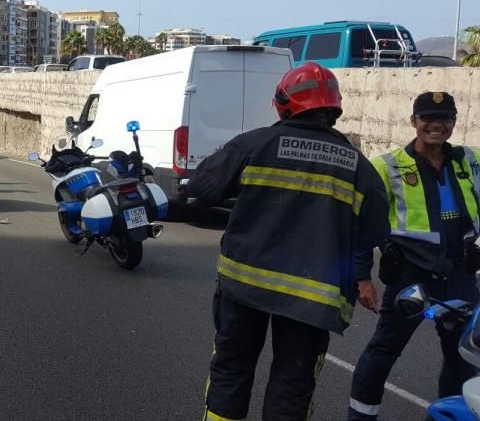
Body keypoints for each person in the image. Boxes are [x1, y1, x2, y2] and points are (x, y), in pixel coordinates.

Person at [188, 62, 389, 421]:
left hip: (245, 286)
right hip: (312, 299)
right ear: (333, 107)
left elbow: (202, 188)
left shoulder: (255, 143)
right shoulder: (360, 166)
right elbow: (372, 234)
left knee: (232, 370)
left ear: (283, 102)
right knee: (293, 385)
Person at [348, 92, 480, 420]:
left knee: (462, 358)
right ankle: (361, 416)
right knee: (382, 354)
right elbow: (361, 224)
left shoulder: (470, 161)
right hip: (412, 276)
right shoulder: (387, 166)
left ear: (454, 122)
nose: (436, 125)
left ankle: (450, 416)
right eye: (427, 118)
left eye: (445, 119)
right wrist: (362, 278)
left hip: (460, 275)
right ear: (414, 122)